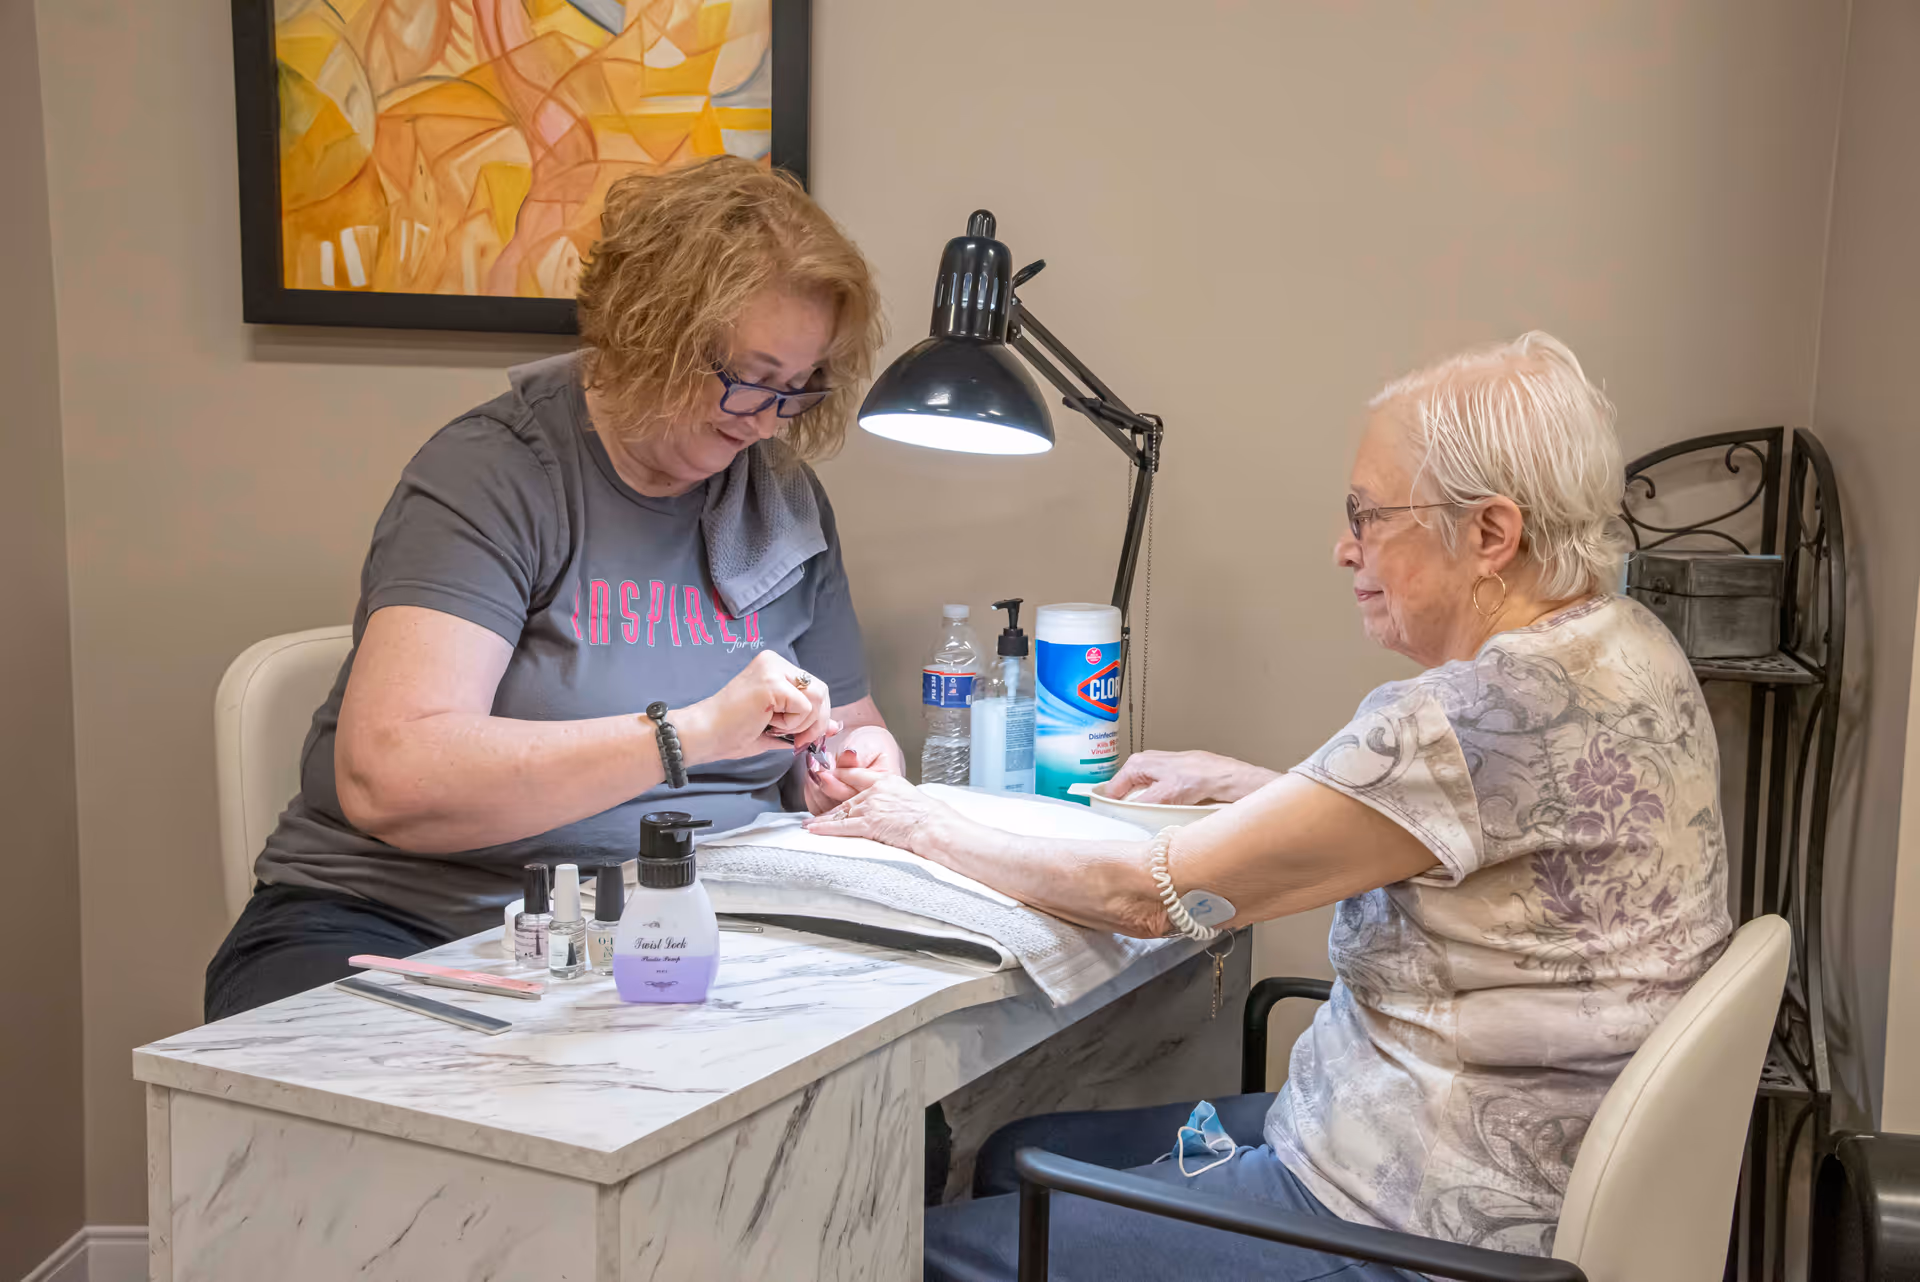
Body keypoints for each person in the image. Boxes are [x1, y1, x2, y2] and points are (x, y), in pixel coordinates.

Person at [808, 333, 1732, 1280]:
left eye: (1367, 516)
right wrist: (1252, 784)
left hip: (1402, 1219)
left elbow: (1145, 897)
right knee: (1018, 1151)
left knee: (925, 1256)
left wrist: (916, 819)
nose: (1345, 549)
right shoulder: (1627, 648)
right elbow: (1475, 832)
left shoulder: (1454, 719)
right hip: (1517, 1180)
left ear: (1491, 535)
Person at [206, 158, 904, 1021]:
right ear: (653, 330)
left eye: (796, 388)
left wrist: (851, 769)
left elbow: (857, 731)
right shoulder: (499, 476)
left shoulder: (781, 501)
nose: (765, 417)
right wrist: (689, 735)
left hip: (673, 926)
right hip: (415, 923)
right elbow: (394, 779)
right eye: (747, 376)